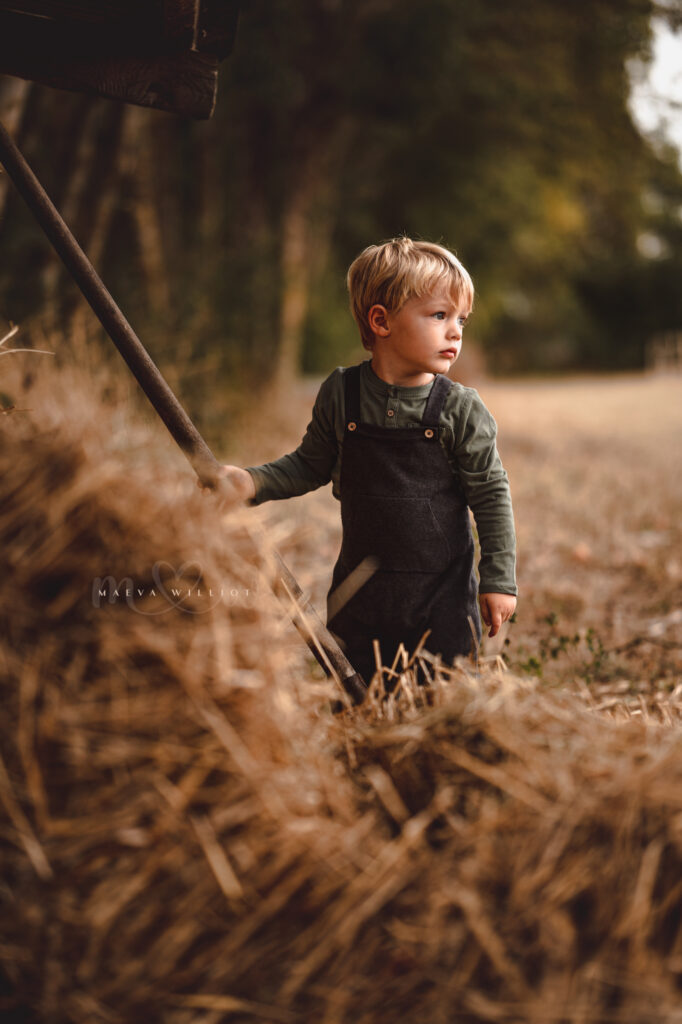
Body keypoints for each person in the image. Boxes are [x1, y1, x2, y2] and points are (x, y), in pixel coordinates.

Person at [215, 237, 517, 692]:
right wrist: (251, 482)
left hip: (442, 597)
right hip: (361, 594)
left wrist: (499, 579)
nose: (455, 331)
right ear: (381, 321)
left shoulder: (460, 410)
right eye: (439, 315)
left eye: (461, 320)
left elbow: (491, 496)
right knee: (359, 697)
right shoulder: (342, 395)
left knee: (442, 697)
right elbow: (309, 465)